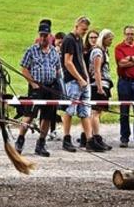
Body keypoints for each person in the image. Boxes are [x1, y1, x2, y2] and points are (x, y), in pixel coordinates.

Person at [15, 19, 61, 157]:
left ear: (50, 36)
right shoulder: (32, 50)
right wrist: (34, 84)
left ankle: (41, 143)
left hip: (50, 88)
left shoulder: (54, 52)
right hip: (36, 87)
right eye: (41, 35)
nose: (43, 38)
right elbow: (24, 68)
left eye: (45, 35)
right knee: (29, 116)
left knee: (47, 117)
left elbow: (58, 69)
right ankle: (20, 140)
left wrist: (57, 82)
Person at [60, 16, 105, 152]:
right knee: (70, 110)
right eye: (83, 29)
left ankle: (89, 139)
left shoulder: (79, 40)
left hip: (83, 80)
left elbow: (81, 60)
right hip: (73, 80)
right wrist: (79, 78)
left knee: (85, 111)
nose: (84, 32)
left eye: (86, 30)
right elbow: (68, 62)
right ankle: (66, 138)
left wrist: (86, 77)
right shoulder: (69, 40)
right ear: (76, 26)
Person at [88, 29, 115, 150]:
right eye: (110, 39)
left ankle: (95, 136)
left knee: (98, 112)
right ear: (104, 39)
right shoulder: (98, 52)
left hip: (104, 83)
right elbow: (97, 70)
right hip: (98, 84)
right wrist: (99, 87)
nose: (111, 42)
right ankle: (96, 137)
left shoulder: (104, 51)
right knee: (95, 112)